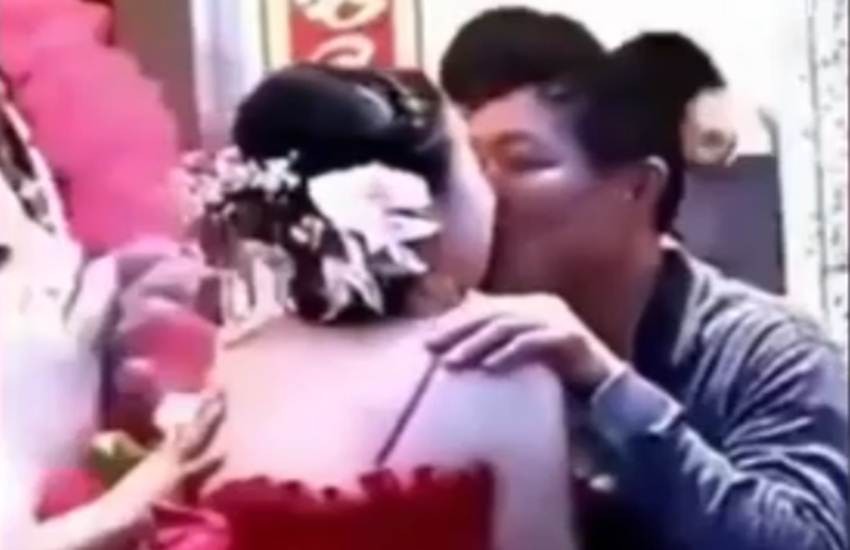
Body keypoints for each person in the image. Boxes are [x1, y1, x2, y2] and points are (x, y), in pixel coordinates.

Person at [433, 8, 849, 550]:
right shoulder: (461, 351)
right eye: (472, 168)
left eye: (521, 162)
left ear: (637, 187)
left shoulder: (767, 352)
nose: (485, 196)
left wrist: (607, 386)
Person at [156, 64, 576, 549]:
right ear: (420, 208)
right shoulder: (502, 357)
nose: (492, 194)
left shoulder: (227, 360)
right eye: (475, 166)